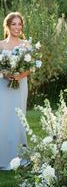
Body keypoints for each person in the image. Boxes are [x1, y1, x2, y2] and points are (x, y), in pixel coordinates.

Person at [0, 12, 28, 170]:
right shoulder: (1, 45)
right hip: (3, 86)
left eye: (19, 24)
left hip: (20, 85)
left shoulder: (26, 45)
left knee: (18, 118)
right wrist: (5, 74)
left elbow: (30, 67)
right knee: (2, 118)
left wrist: (19, 75)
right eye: (14, 24)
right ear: (8, 26)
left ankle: (19, 156)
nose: (17, 27)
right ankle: (3, 156)